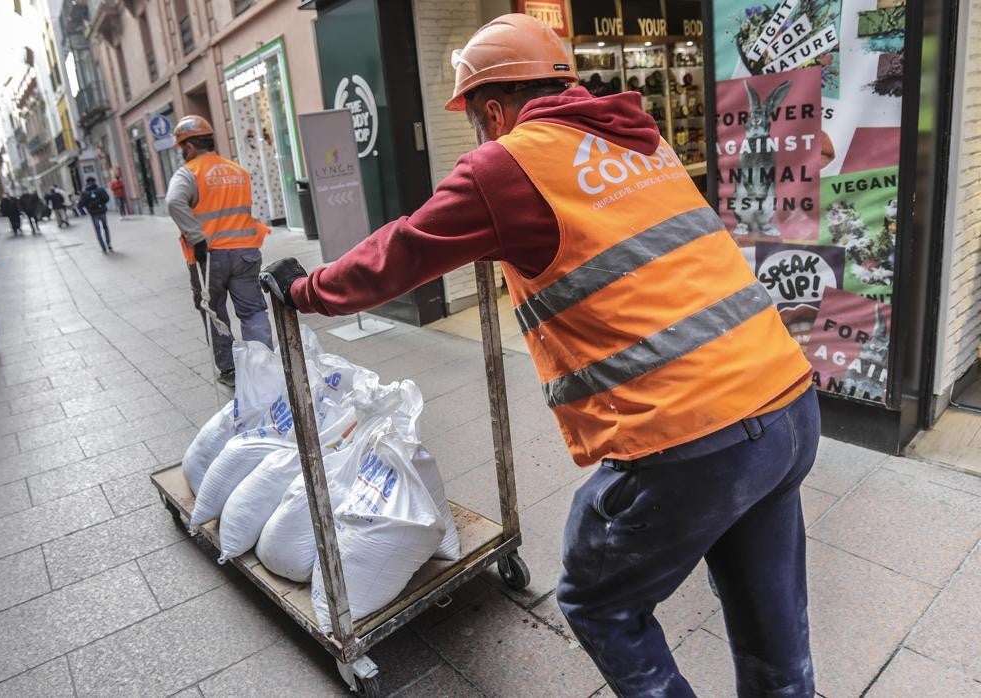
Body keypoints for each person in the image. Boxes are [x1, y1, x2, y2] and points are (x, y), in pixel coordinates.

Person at [261, 14, 820, 697]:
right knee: (771, 622)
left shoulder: (507, 163)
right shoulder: (640, 140)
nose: (476, 130)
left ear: (492, 108)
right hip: (790, 404)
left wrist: (303, 288)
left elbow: (402, 251)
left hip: (698, 436)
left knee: (598, 598)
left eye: (473, 117)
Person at [166, 114, 272, 388]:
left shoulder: (189, 173)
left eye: (182, 149)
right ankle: (264, 365)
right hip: (245, 252)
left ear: (188, 146)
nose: (182, 154)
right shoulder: (237, 170)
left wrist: (197, 238)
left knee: (214, 312)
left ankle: (229, 370)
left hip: (210, 257)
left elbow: (174, 202)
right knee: (252, 311)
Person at [79, 176, 113, 253]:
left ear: (87, 183)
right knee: (105, 227)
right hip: (102, 211)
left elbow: (81, 204)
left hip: (93, 213)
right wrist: (102, 204)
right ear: (95, 181)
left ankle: (103, 247)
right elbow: (107, 198)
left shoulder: (85, 193)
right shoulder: (100, 190)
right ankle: (109, 244)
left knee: (98, 230)